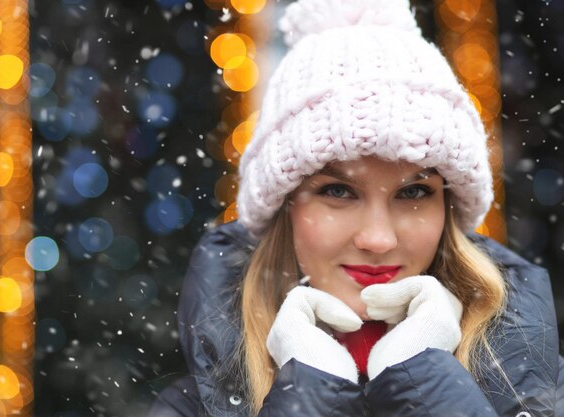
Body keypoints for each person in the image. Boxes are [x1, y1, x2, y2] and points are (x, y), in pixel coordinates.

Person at [148, 0, 564, 416]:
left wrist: (422, 382)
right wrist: (311, 389)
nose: (378, 239)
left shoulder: (539, 386)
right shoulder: (191, 407)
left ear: (449, 206)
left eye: (414, 193)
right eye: (338, 192)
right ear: (285, 206)